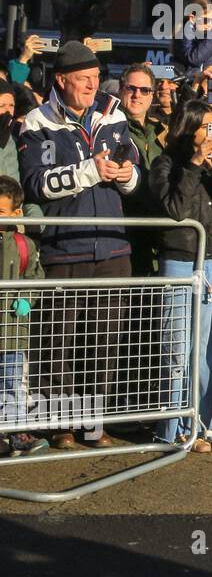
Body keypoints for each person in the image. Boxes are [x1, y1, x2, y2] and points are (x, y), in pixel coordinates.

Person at [17, 41, 140, 450]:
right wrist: (90, 171)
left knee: (103, 344)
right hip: (63, 249)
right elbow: (36, 184)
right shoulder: (36, 122)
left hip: (112, 247)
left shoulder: (114, 114)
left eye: (95, 78)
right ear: (62, 80)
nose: (92, 85)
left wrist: (124, 174)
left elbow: (136, 178)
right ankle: (59, 427)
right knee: (58, 344)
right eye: (84, 79)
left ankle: (93, 425)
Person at [150, 99, 212, 450]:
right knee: (177, 349)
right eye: (207, 127)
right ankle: (171, 427)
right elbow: (176, 209)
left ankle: (203, 424)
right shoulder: (165, 163)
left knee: (207, 353)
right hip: (179, 261)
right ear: (189, 128)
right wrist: (193, 165)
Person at [0, 176, 48, 457]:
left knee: (13, 383)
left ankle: (17, 431)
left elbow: (34, 276)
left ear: (16, 214)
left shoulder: (24, 245)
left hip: (13, 333)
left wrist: (27, 300)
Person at [119, 64, 166, 277]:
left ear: (152, 96)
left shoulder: (161, 130)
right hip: (124, 231)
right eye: (131, 88)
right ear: (121, 89)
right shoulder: (109, 127)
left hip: (158, 231)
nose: (137, 94)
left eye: (145, 90)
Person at [0, 81, 42, 220]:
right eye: (2, 105)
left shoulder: (15, 138)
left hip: (13, 221)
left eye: (11, 105)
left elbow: (25, 187)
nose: (7, 111)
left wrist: (35, 218)